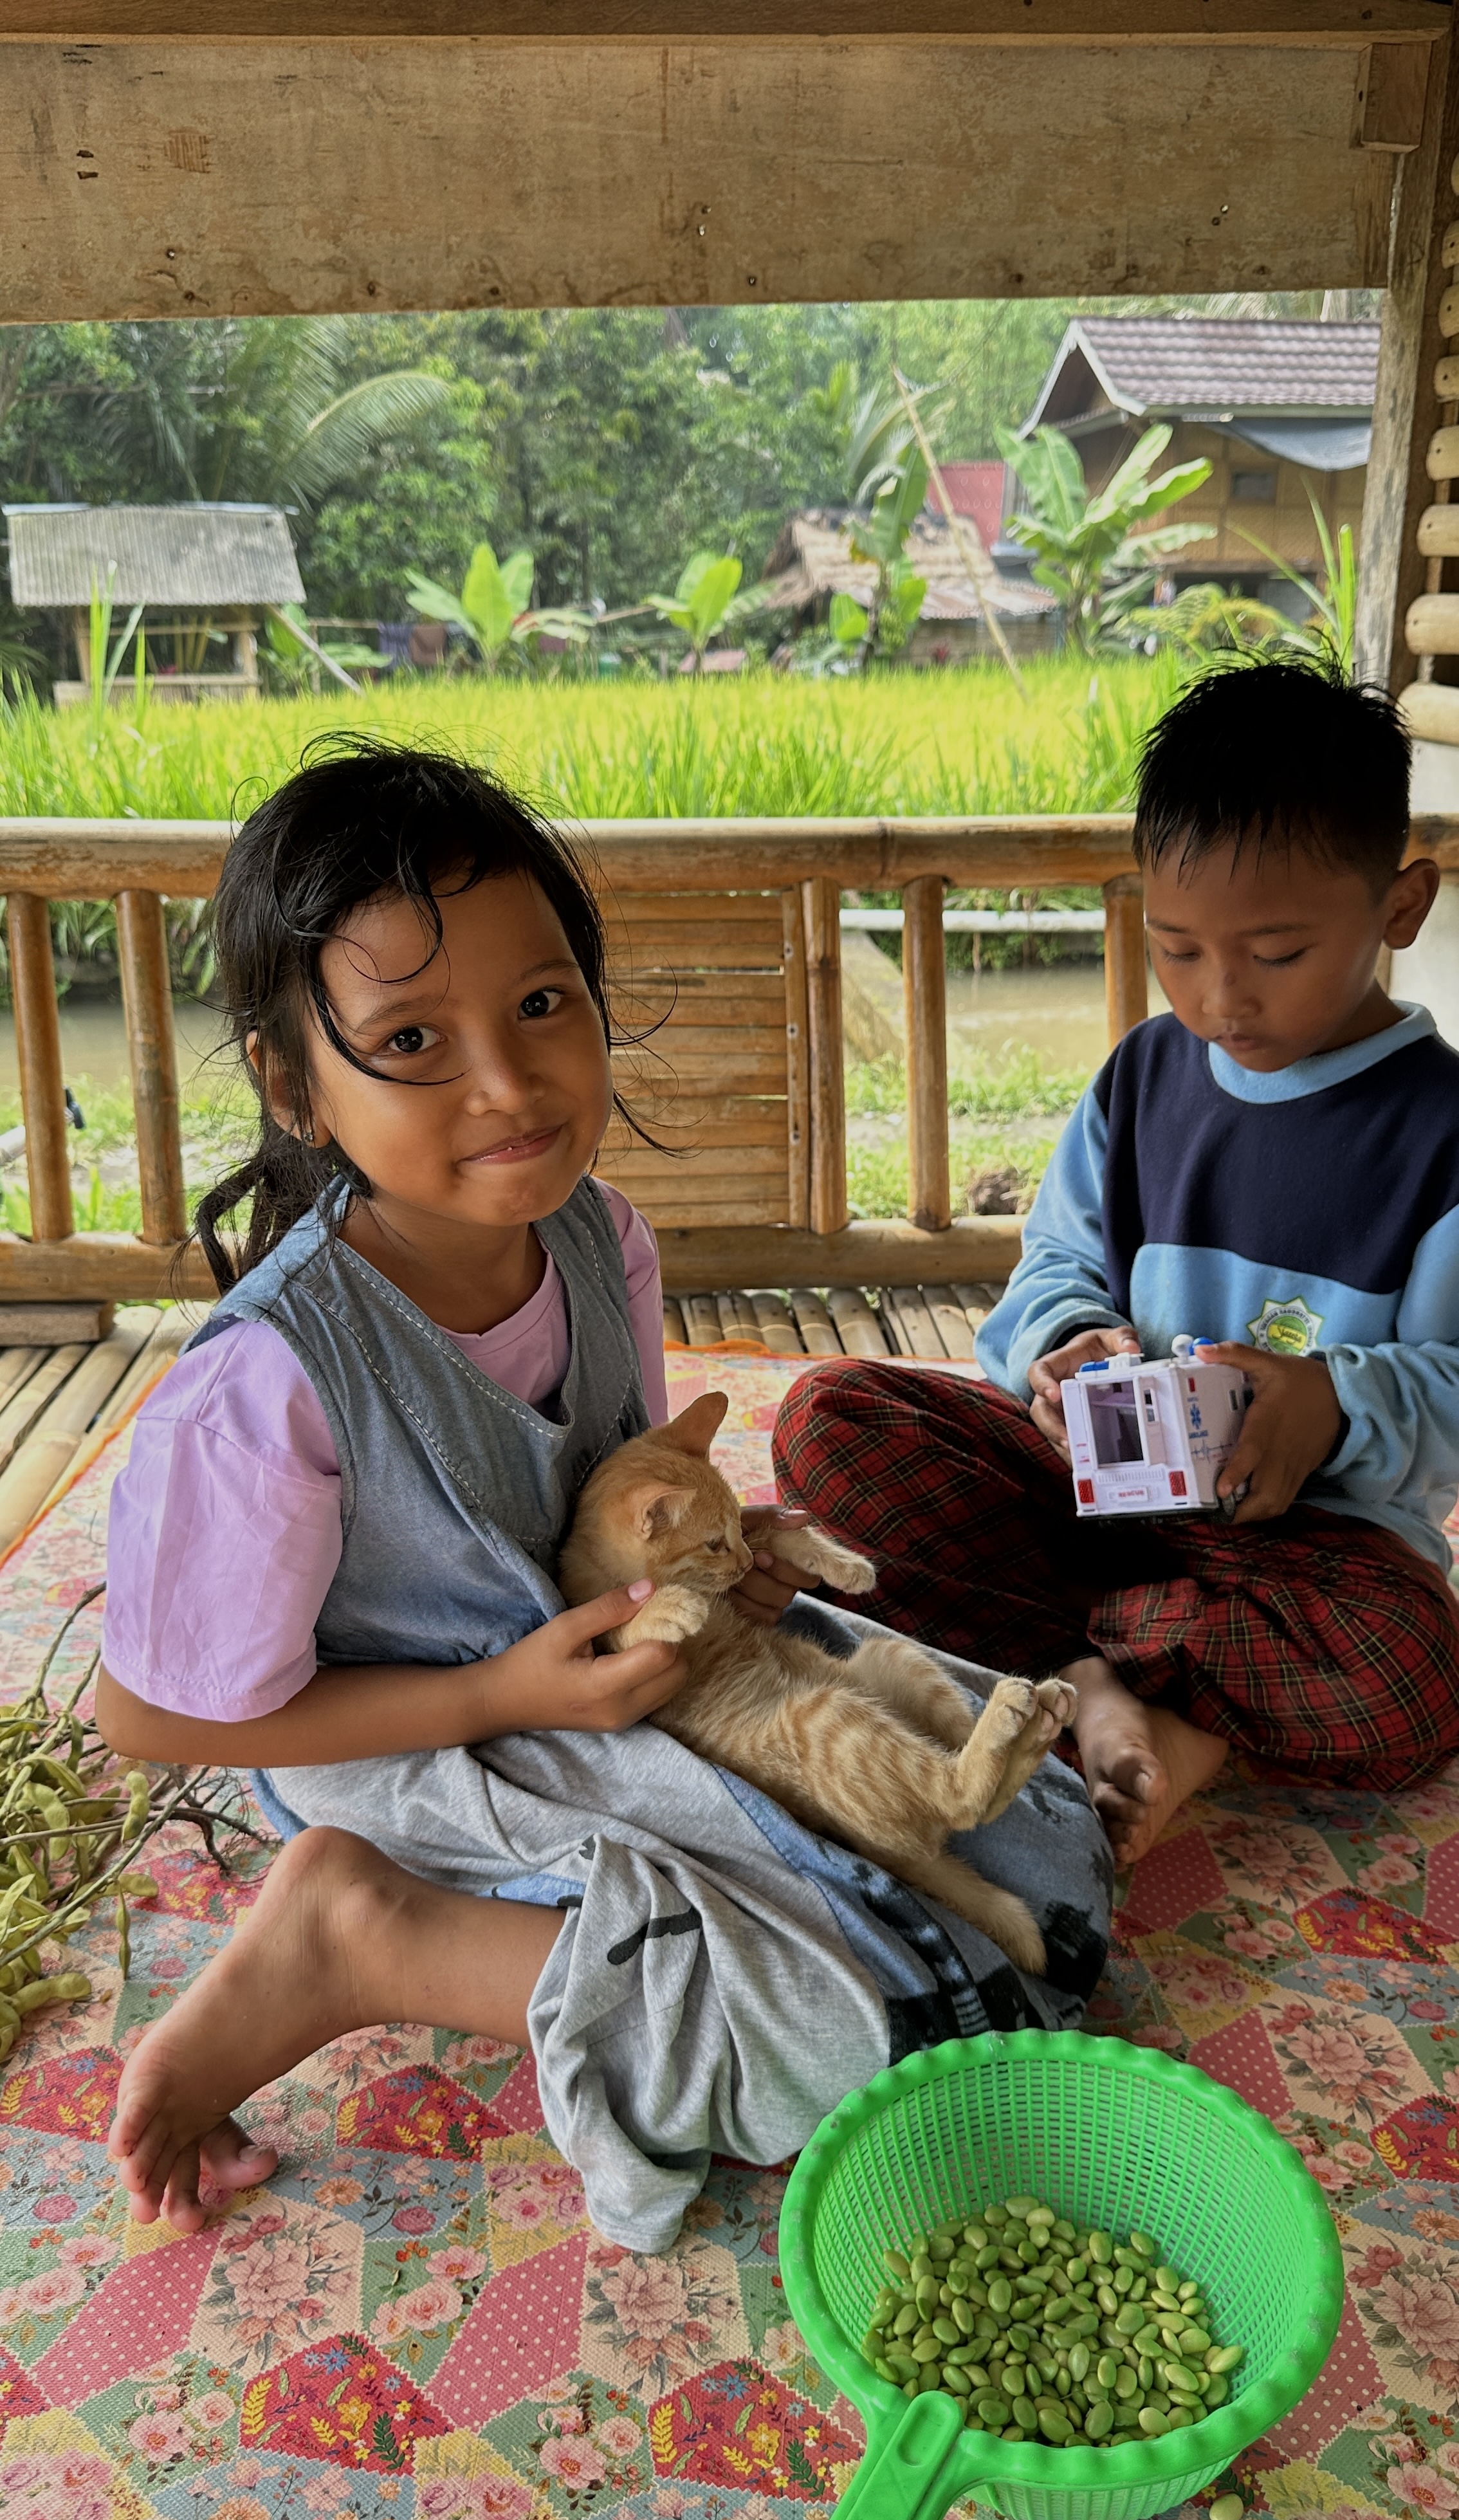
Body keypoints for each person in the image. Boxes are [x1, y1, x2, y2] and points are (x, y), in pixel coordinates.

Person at [97, 742, 1109, 2250]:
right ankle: (361, 1933)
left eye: (540, 1004)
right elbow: (147, 1719)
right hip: (404, 1742)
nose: (508, 1084)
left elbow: (618, 1492)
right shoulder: (268, 1389)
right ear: (294, 1086)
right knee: (868, 2037)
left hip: (615, 1676)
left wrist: (728, 1569)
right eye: (412, 1039)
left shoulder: (598, 1239)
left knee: (1040, 1846)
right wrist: (497, 1694)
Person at [776, 656, 1459, 1869]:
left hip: (1306, 1552)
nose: (1220, 998)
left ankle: (1077, 1668)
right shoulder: (1144, 1077)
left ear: (1402, 906)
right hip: (1097, 1499)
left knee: (1412, 1673)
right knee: (831, 1419)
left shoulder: (1441, 1135)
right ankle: (1102, 1682)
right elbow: (1055, 1261)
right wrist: (1064, 1342)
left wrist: (1335, 1403)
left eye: (1276, 953)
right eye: (1177, 948)